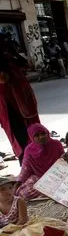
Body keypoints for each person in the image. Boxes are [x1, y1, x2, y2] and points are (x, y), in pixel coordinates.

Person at [0, 33, 41, 162]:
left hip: (14, 106)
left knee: (24, 139)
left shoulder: (8, 60)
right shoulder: (11, 59)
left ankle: (29, 165)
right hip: (21, 104)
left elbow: (3, 78)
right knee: (30, 136)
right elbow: (27, 65)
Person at [15, 124, 64, 200]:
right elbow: (25, 169)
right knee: (22, 193)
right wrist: (18, 182)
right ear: (32, 137)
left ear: (47, 133)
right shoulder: (29, 150)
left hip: (58, 175)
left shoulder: (56, 144)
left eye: (43, 134)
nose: (41, 137)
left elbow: (64, 162)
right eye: (37, 135)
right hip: (39, 177)